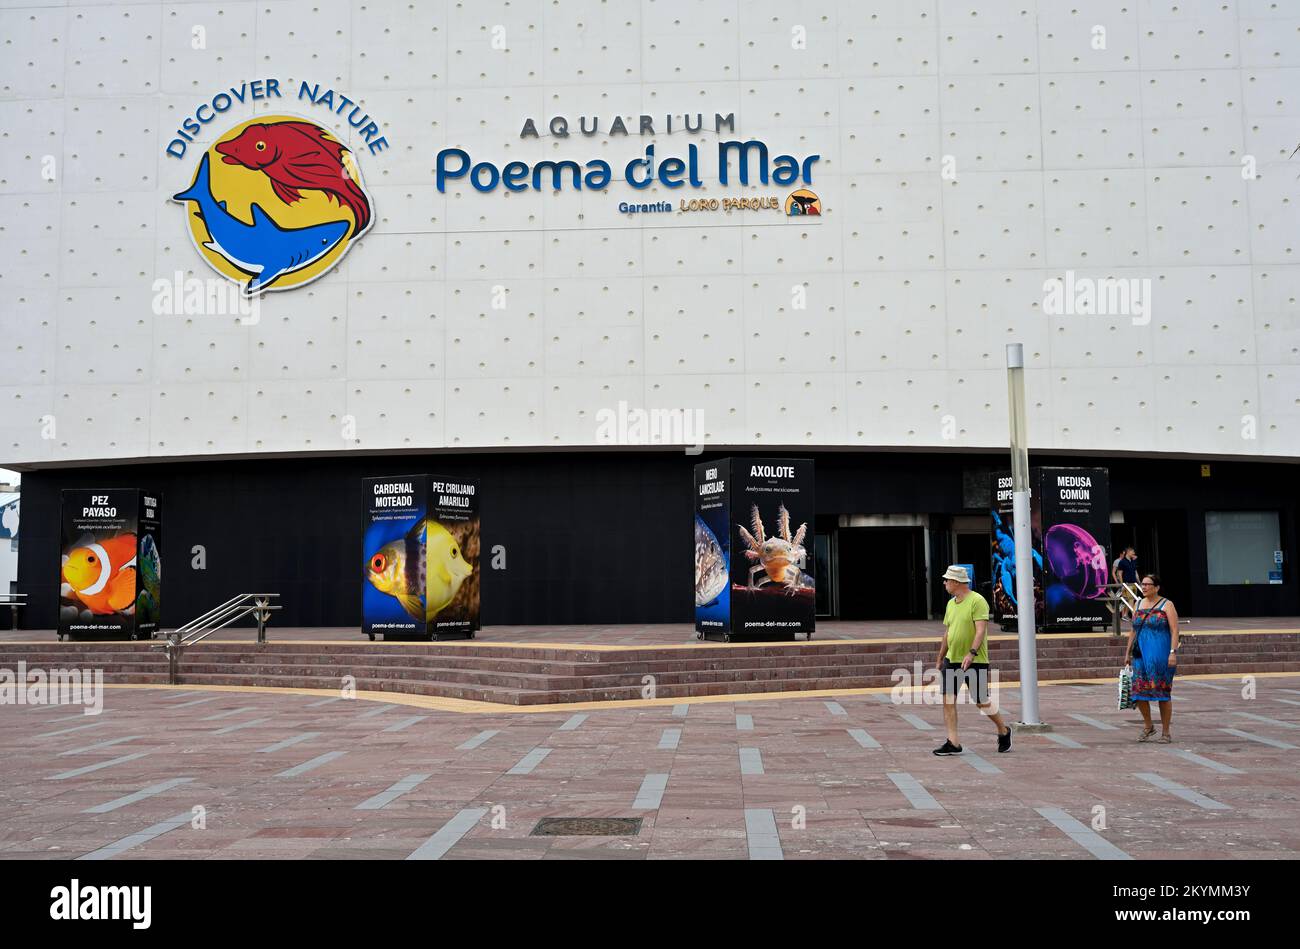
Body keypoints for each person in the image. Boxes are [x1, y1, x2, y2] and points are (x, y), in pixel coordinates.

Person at [933, 565, 1012, 756]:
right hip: (952, 659)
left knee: (981, 701)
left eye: (947, 580)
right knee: (948, 700)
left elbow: (980, 630)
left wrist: (971, 653)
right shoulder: (951, 604)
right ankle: (953, 742)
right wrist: (940, 657)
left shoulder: (977, 601)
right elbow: (948, 632)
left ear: (956, 582)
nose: (944, 583)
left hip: (975, 660)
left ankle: (1003, 730)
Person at [1123, 573, 1180, 742]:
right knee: (1139, 692)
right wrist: (1127, 653)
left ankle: (1166, 732)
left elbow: (1175, 630)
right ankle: (1149, 726)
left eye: (1148, 584)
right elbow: (1133, 630)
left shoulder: (1166, 604)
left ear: (1157, 587)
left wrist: (1172, 653)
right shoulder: (1138, 603)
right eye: (1143, 584)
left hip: (1160, 655)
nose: (1144, 587)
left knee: (1162, 692)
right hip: (1140, 654)